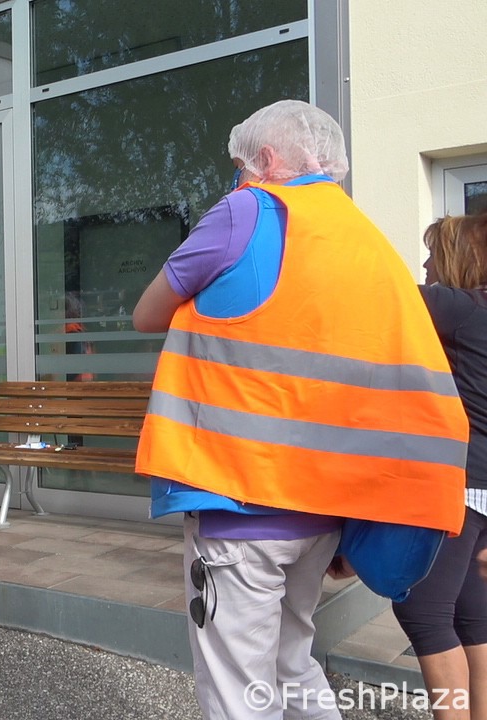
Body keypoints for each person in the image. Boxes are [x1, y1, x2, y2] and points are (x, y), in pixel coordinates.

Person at [131, 100, 468, 720]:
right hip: (327, 512)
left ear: (264, 159)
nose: (238, 180)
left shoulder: (246, 210)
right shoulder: (365, 240)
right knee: (293, 666)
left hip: (241, 501)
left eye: (240, 167)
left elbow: (145, 314)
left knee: (239, 692)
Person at [391, 214, 487, 720]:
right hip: (484, 492)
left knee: (423, 611)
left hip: (460, 488)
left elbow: (382, 292)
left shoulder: (461, 307)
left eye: (432, 255)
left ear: (458, 259)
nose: (425, 265)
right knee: (474, 617)